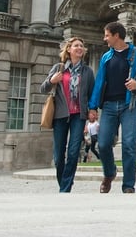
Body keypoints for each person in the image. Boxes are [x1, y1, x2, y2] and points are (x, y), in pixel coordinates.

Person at [90, 21, 136, 194]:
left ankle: (128, 185)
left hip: (130, 105)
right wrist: (92, 106)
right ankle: (109, 173)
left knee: (129, 145)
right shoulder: (106, 57)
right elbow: (99, 83)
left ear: (116, 35)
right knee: (103, 144)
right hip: (108, 106)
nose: (104, 38)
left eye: (107, 35)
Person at [40, 37, 95, 193]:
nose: (79, 48)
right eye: (76, 45)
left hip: (79, 115)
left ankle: (65, 189)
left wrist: (92, 109)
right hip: (60, 115)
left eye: (82, 46)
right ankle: (64, 184)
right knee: (58, 157)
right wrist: (52, 80)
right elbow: (42, 88)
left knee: (73, 152)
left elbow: (92, 94)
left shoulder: (88, 71)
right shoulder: (59, 68)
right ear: (69, 49)